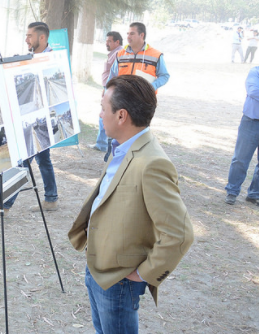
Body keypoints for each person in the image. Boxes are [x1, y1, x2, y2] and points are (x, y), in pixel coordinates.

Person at [68, 75, 194, 333]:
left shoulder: (152, 163)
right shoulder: (124, 146)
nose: (100, 114)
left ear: (121, 116)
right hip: (99, 268)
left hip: (119, 280)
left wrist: (144, 274)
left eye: (104, 108)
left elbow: (180, 234)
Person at [0, 22, 58, 217]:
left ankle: (5, 205)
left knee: (24, 161)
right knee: (44, 159)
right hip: (30, 116)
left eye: (29, 36)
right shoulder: (31, 58)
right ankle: (51, 198)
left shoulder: (52, 59)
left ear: (42, 38)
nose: (26, 39)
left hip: (41, 121)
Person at [224, 65, 259, 207]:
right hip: (251, 122)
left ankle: (255, 194)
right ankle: (232, 192)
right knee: (240, 159)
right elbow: (253, 91)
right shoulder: (256, 72)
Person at [106, 22, 169, 92]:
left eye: (132, 34)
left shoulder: (156, 55)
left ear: (141, 35)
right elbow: (112, 76)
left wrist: (152, 86)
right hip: (122, 98)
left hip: (145, 98)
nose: (128, 37)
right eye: (128, 34)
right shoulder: (120, 54)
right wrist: (107, 91)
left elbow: (164, 76)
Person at [89, 31, 123, 152]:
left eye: (109, 41)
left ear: (117, 42)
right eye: (106, 41)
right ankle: (103, 143)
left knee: (105, 115)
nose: (106, 44)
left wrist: (108, 90)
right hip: (109, 88)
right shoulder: (114, 53)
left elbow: (115, 74)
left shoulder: (119, 54)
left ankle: (104, 144)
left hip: (112, 89)